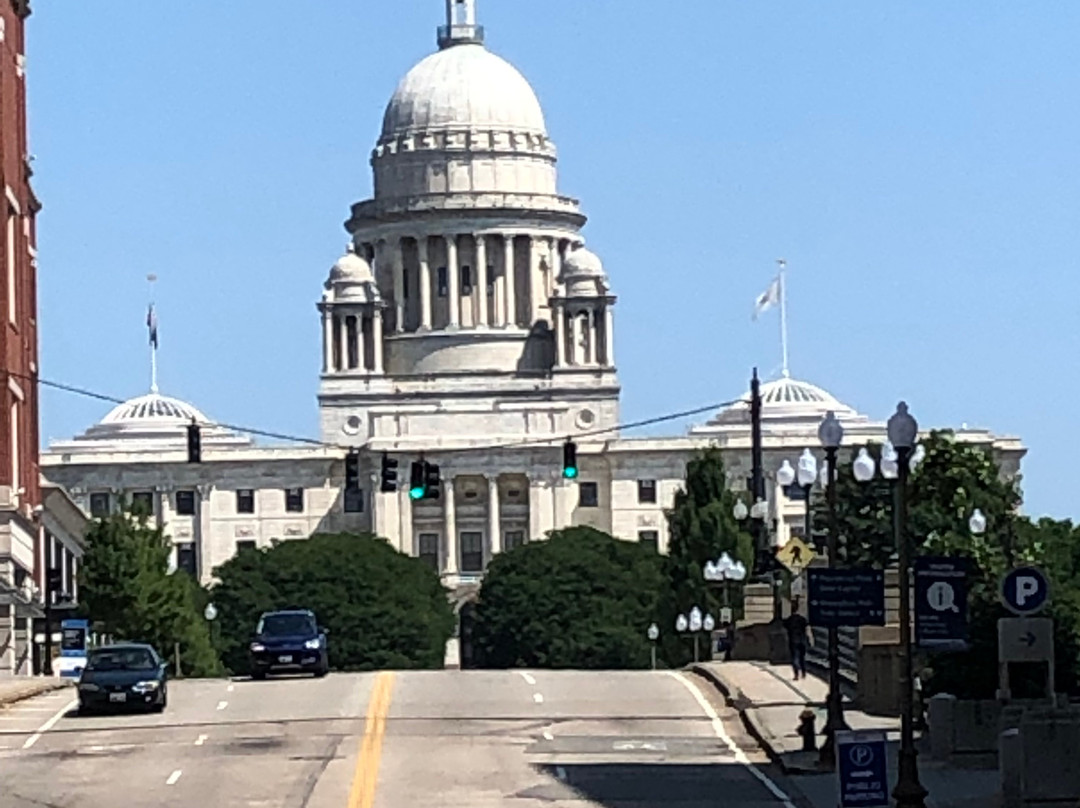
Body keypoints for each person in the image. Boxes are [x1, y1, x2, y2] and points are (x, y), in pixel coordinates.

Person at [783, 596, 811, 680]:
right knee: (802, 657)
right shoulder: (802, 619)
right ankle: (803, 673)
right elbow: (807, 630)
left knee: (795, 657)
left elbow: (785, 629)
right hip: (802, 640)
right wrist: (809, 639)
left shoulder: (789, 620)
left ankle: (796, 674)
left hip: (793, 640)